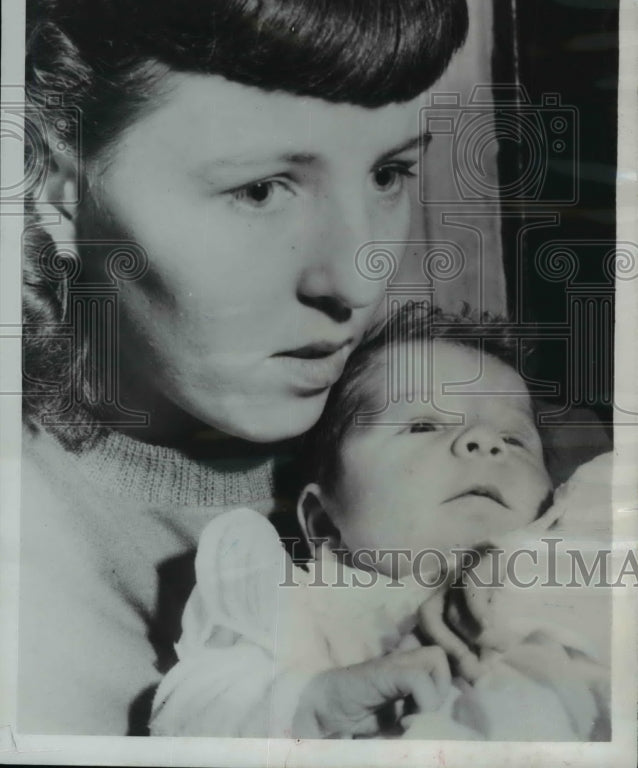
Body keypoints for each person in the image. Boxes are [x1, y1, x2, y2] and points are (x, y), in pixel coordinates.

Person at [20, 0, 469, 735]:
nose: (355, 279)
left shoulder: (423, 437)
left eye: (390, 174)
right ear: (54, 188)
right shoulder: (26, 559)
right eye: (261, 190)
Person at [149, 305, 611, 740]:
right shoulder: (296, 604)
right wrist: (318, 702)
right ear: (325, 526)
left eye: (514, 439)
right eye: (425, 426)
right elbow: (187, 717)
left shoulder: (579, 551)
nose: (485, 442)